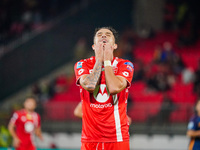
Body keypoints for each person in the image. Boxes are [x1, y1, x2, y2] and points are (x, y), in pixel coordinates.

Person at [74, 27, 134, 150]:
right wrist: (99, 60)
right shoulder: (82, 64)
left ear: (115, 46)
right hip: (90, 138)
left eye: (108, 34)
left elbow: (113, 88)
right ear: (93, 46)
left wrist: (106, 61)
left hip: (117, 137)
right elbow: (90, 86)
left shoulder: (125, 65)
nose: (103, 36)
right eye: (99, 34)